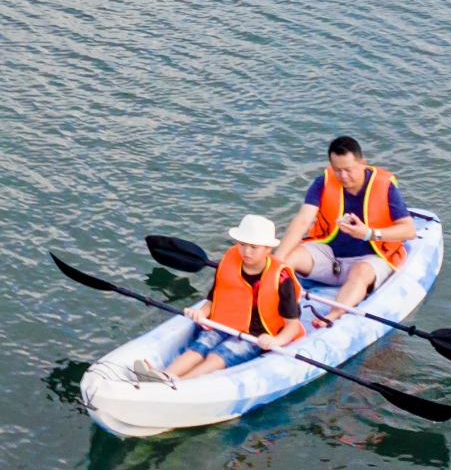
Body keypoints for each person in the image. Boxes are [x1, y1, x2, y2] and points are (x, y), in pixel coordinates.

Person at [143, 214, 304, 381]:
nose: (246, 252)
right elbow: (214, 299)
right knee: (200, 346)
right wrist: (202, 312)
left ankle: (180, 382)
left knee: (220, 356)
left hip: (256, 335)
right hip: (225, 324)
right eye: (242, 244)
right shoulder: (230, 262)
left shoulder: (281, 278)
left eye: (254, 247)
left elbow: (292, 325)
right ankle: (165, 374)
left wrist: (275, 340)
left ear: (268, 249)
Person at [279, 135, 418, 317]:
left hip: (370, 258)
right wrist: (277, 261)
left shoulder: (385, 187)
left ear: (362, 163)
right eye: (337, 170)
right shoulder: (323, 182)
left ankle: (331, 317)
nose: (343, 176)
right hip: (330, 257)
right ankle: (269, 305)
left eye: (348, 169)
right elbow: (303, 220)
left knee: (361, 272)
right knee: (290, 256)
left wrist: (369, 233)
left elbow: (409, 230)